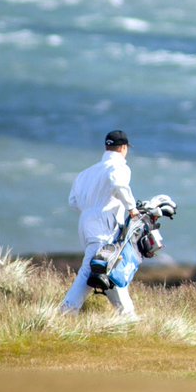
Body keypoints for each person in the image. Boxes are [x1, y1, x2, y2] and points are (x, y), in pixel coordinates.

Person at [60, 129, 141, 318]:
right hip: (103, 220)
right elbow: (118, 184)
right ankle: (68, 310)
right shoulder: (119, 167)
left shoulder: (86, 172)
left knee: (105, 266)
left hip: (85, 220)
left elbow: (73, 201)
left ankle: (127, 315)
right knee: (92, 267)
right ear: (123, 148)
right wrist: (131, 208)